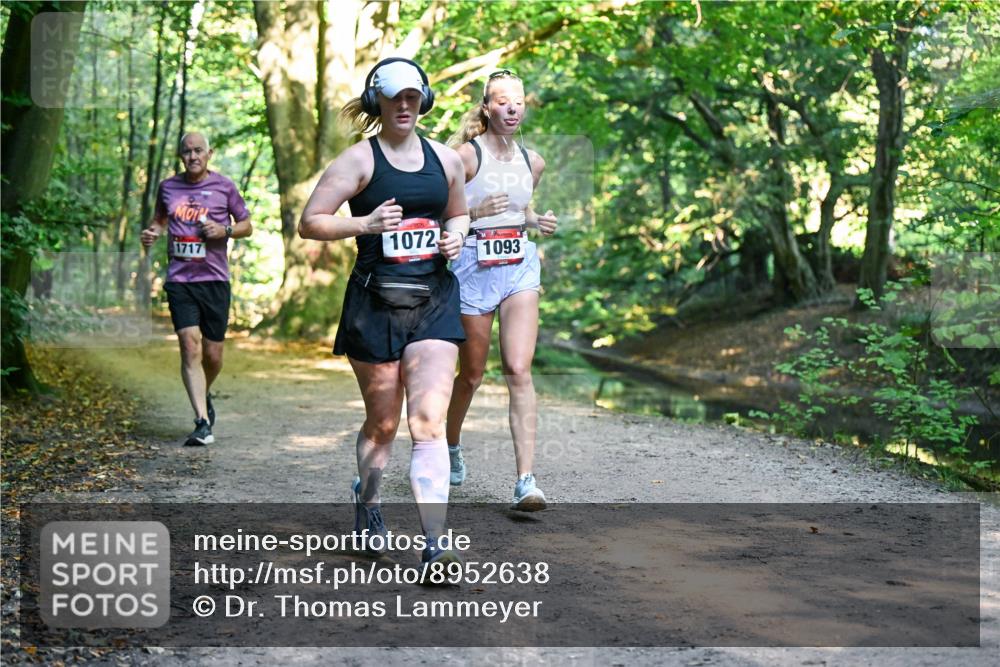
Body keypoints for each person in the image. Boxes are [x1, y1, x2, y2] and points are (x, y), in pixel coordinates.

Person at [299, 58, 470, 567]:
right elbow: (310, 222)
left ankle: (435, 545)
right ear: (378, 101)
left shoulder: (447, 160)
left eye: (412, 96)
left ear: (424, 99)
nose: (403, 105)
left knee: (428, 421)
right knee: (383, 424)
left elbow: (458, 212)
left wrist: (456, 236)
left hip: (434, 300)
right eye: (394, 96)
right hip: (374, 303)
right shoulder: (358, 161)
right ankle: (369, 504)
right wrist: (366, 224)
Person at [445, 70, 557, 511]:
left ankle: (525, 481)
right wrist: (473, 210)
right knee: (471, 375)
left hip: (518, 267)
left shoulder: (534, 162)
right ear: (487, 107)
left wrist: (535, 221)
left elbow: (520, 207)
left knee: (517, 368)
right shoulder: (463, 157)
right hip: (472, 266)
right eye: (502, 101)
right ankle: (451, 444)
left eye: (518, 101)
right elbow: (437, 215)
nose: (512, 108)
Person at [141, 132, 252, 446]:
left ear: (209, 153)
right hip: (180, 280)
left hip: (215, 280)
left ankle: (204, 392)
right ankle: (202, 421)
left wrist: (224, 230)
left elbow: (247, 224)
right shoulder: (168, 188)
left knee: (213, 355)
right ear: (180, 156)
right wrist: (152, 232)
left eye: (198, 151)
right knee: (190, 345)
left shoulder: (224, 187)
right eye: (187, 152)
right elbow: (160, 221)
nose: (193, 157)